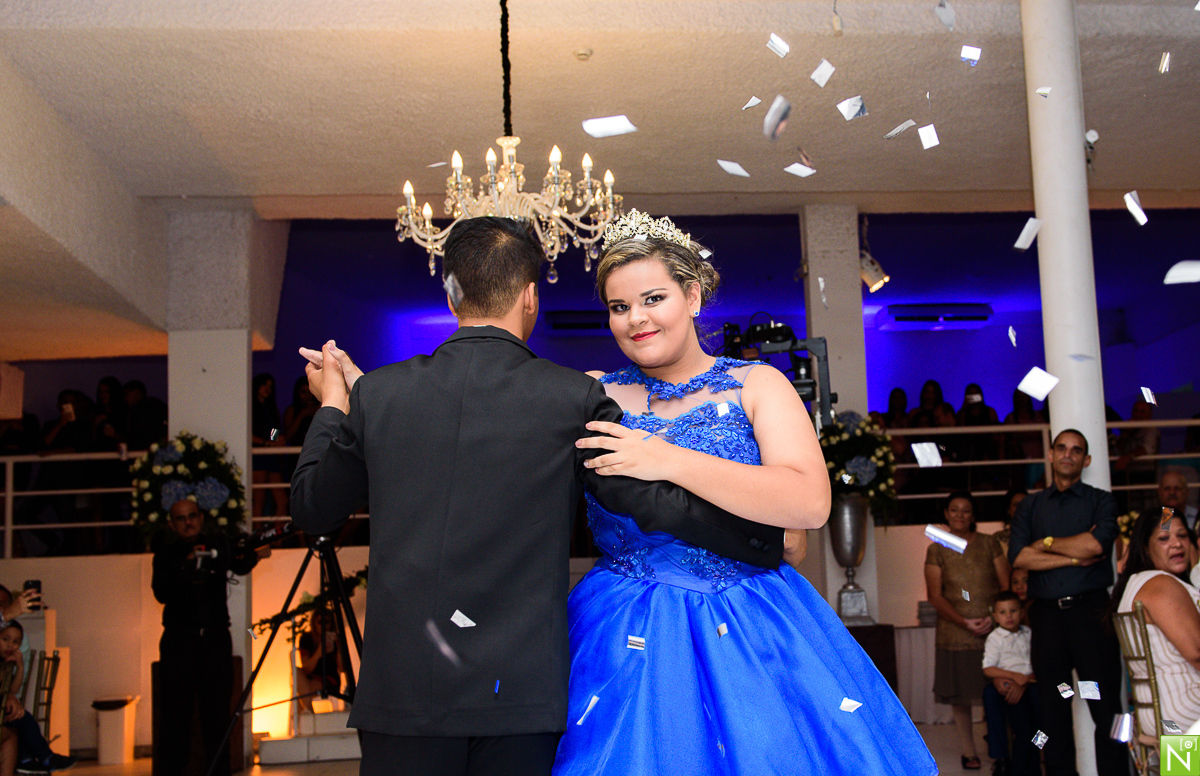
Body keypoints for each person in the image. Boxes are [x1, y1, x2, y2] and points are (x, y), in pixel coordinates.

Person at [290, 216, 784, 776]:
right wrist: (765, 543)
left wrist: (337, 403)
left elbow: (314, 507)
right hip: (519, 696)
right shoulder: (571, 397)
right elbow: (654, 504)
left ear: (452, 294)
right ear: (530, 297)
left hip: (404, 696)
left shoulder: (381, 395)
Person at [553, 212, 935, 776]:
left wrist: (663, 458)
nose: (636, 319)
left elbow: (809, 504)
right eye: (619, 307)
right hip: (619, 622)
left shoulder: (756, 385)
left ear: (693, 295)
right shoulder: (595, 394)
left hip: (748, 616)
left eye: (653, 298)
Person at [1009, 429, 1125, 776]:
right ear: (1051, 454)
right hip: (1048, 621)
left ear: (1086, 460)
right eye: (1062, 448)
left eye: (1076, 451)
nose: (1068, 455)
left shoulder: (1101, 501)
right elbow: (1019, 558)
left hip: (1091, 616)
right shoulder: (1031, 505)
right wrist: (1071, 556)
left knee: (1104, 708)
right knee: (1053, 711)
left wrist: (1042, 546)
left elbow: (1095, 547)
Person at [152, 498, 264, 776]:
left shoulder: (217, 545)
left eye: (192, 516)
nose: (188, 522)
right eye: (181, 518)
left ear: (201, 517)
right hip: (180, 643)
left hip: (214, 642)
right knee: (175, 718)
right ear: (172, 523)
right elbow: (161, 592)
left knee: (216, 717)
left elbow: (238, 563)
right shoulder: (166, 553)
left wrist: (256, 552)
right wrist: (186, 567)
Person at [923, 491, 1009, 771]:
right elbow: (935, 595)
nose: (960, 515)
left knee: (996, 693)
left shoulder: (989, 543)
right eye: (954, 510)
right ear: (946, 514)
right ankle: (968, 750)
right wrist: (964, 622)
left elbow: (1005, 584)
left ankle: (1001, 749)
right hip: (955, 631)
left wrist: (991, 618)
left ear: (973, 515)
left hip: (993, 629)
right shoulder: (937, 547)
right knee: (960, 696)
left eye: (966, 510)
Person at [1113, 511, 1200, 735]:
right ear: (1144, 547)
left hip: (1162, 714)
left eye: (1182, 536)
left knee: (1185, 771)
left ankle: (1182, 771)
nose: (1177, 544)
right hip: (1187, 709)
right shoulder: (1162, 584)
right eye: (1164, 538)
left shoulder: (1137, 583)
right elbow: (1197, 652)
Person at [0, 621, 74, 774]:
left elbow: (13, 689)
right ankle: (44, 756)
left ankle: (27, 759)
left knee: (18, 722)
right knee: (23, 718)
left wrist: (20, 666)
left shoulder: (6, 663)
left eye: (15, 642)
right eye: (5, 639)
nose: (10, 645)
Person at [982, 590, 1038, 776]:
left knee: (1039, 727)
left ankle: (1035, 761)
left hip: (1031, 684)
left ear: (1022, 612)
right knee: (1023, 730)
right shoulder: (995, 638)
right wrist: (1014, 677)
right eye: (1003, 612)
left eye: (1013, 611)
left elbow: (1039, 662)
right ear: (995, 617)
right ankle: (1015, 767)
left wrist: (1026, 679)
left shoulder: (1029, 633)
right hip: (1009, 686)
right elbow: (988, 668)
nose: (1009, 616)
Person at [251, 374, 289, 518]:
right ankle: (257, 539)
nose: (267, 389)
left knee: (282, 501)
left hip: (271, 456)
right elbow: (248, 433)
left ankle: (277, 540)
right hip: (258, 455)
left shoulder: (271, 408)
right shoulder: (251, 407)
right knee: (259, 500)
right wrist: (267, 443)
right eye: (264, 385)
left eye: (270, 386)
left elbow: (273, 431)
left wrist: (276, 440)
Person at [295, 608, 344, 712]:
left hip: (329, 679)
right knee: (296, 672)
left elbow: (342, 669)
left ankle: (308, 714)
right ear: (314, 623)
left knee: (301, 692)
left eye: (326, 622)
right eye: (320, 622)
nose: (323, 625)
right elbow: (306, 669)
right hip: (308, 677)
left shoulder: (336, 639)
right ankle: (309, 712)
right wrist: (319, 653)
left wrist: (339, 647)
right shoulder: (307, 639)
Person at [123, 381, 167, 451]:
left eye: (126, 394)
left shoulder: (153, 405)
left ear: (136, 392)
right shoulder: (130, 411)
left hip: (151, 453)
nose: (124, 398)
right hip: (143, 453)